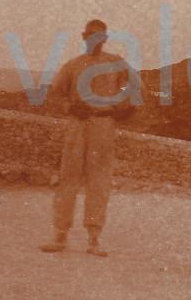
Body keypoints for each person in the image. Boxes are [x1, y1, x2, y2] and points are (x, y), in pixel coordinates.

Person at [39, 19, 138, 257]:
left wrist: (123, 106)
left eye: (99, 36)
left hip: (104, 124)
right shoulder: (73, 65)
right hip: (78, 124)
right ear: (84, 37)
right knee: (69, 177)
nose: (95, 40)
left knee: (99, 180)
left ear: (105, 39)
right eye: (90, 35)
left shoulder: (116, 64)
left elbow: (132, 87)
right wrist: (70, 107)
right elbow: (56, 93)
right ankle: (60, 234)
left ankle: (94, 238)